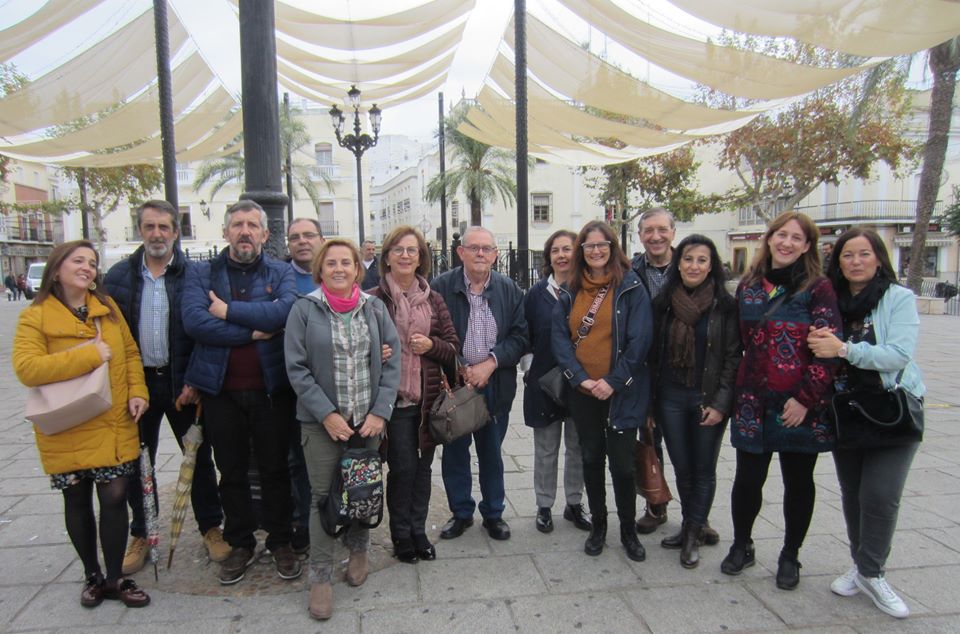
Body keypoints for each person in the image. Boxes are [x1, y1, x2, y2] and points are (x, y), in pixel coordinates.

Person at [13, 240, 151, 608]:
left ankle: (114, 578)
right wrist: (90, 355)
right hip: (66, 421)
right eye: (78, 261)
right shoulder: (36, 316)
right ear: (57, 268)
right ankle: (92, 574)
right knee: (76, 497)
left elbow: (131, 353)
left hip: (112, 419)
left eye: (92, 262)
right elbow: (27, 368)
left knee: (115, 497)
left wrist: (138, 391)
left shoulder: (107, 309)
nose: (87, 267)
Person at [104, 200, 227, 575]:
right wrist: (125, 387)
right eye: (149, 227)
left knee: (199, 459)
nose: (157, 234)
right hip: (137, 387)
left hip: (182, 385)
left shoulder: (194, 274)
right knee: (137, 463)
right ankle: (141, 533)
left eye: (164, 227)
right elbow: (112, 336)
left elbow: (205, 334)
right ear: (140, 231)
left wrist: (196, 380)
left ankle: (211, 527)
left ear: (175, 231)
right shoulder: (119, 277)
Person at [181, 200, 300, 586]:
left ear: (265, 234)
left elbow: (283, 315)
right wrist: (252, 330)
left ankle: (281, 540)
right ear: (226, 232)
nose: (244, 231)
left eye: (252, 225)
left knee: (275, 469)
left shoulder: (281, 272)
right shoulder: (202, 273)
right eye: (237, 224)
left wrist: (228, 311)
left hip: (271, 391)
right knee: (229, 470)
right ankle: (241, 542)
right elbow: (196, 323)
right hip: (220, 392)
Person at [722, 211, 841, 591]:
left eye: (796, 238)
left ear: (807, 246)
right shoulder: (750, 286)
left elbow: (828, 351)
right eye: (781, 235)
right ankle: (742, 544)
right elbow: (739, 343)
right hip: (752, 403)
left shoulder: (818, 288)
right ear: (769, 239)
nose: (787, 243)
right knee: (747, 480)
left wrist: (806, 400)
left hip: (798, 405)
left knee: (798, 481)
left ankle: (790, 554)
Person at [809, 227, 924, 619]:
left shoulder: (898, 298)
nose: (856, 262)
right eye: (847, 255)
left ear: (879, 257)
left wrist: (844, 349)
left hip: (892, 411)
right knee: (853, 493)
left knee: (880, 495)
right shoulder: (833, 301)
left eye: (864, 254)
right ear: (837, 262)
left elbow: (899, 354)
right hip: (847, 410)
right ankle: (862, 567)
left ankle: (874, 573)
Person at [284, 238, 401, 620]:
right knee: (323, 497)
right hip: (322, 424)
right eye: (331, 263)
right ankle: (320, 576)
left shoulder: (375, 308)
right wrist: (326, 414)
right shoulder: (304, 310)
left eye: (345, 263)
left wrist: (380, 412)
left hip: (367, 421)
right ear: (320, 269)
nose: (338, 268)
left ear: (356, 268)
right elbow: (296, 368)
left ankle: (359, 549)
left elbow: (392, 360)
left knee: (362, 490)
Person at [552, 220, 652, 561]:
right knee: (592, 459)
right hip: (583, 393)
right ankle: (599, 525)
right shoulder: (569, 289)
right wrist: (579, 378)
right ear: (582, 251)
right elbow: (559, 340)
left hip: (622, 392)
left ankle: (628, 530)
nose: (596, 251)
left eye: (602, 245)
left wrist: (613, 382)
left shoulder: (632, 286)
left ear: (613, 248)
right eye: (589, 246)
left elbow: (641, 341)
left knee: (623, 465)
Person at [367, 225, 459, 563]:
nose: (406, 255)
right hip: (393, 402)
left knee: (423, 470)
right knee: (402, 468)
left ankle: (419, 531)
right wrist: (378, 352)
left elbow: (453, 347)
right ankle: (401, 535)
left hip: (428, 402)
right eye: (398, 250)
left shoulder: (433, 299)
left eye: (412, 250)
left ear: (421, 258)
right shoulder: (375, 300)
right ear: (387, 258)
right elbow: (358, 349)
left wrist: (430, 345)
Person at [649, 235, 741, 568]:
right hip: (670, 397)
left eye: (702, 260)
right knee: (683, 468)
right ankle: (694, 523)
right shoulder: (663, 303)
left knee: (704, 469)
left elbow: (733, 357)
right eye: (688, 259)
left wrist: (721, 403)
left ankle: (691, 534)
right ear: (678, 263)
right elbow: (652, 355)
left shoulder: (725, 306)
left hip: (706, 398)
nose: (694, 266)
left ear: (711, 265)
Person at [431, 226, 528, 541]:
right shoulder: (441, 287)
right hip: (455, 386)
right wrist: (460, 369)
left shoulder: (509, 289)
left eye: (487, 248)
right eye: (474, 248)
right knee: (455, 452)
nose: (481, 254)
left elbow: (520, 336)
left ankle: (493, 514)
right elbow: (433, 334)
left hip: (494, 384)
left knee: (491, 453)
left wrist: (490, 364)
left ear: (496, 254)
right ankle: (461, 513)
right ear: (461, 252)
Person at [523, 229, 591, 534]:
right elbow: (525, 336)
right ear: (549, 257)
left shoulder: (588, 291)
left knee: (578, 447)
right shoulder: (536, 295)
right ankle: (544, 505)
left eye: (568, 249)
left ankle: (574, 503)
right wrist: (529, 371)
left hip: (581, 383)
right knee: (546, 449)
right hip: (544, 385)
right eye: (556, 251)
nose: (562, 255)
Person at [631, 207, 681, 535]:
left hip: (682, 372)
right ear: (640, 236)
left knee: (690, 448)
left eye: (661, 229)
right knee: (650, 440)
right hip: (645, 370)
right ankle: (655, 504)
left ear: (672, 232)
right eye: (649, 230)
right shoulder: (631, 270)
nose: (655, 236)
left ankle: (697, 514)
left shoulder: (691, 264)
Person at [285, 217, 325, 553]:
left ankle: (337, 516)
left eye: (308, 235)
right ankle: (303, 519)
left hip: (336, 385)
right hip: (291, 383)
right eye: (295, 237)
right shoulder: (282, 276)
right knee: (298, 458)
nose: (302, 241)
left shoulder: (340, 274)